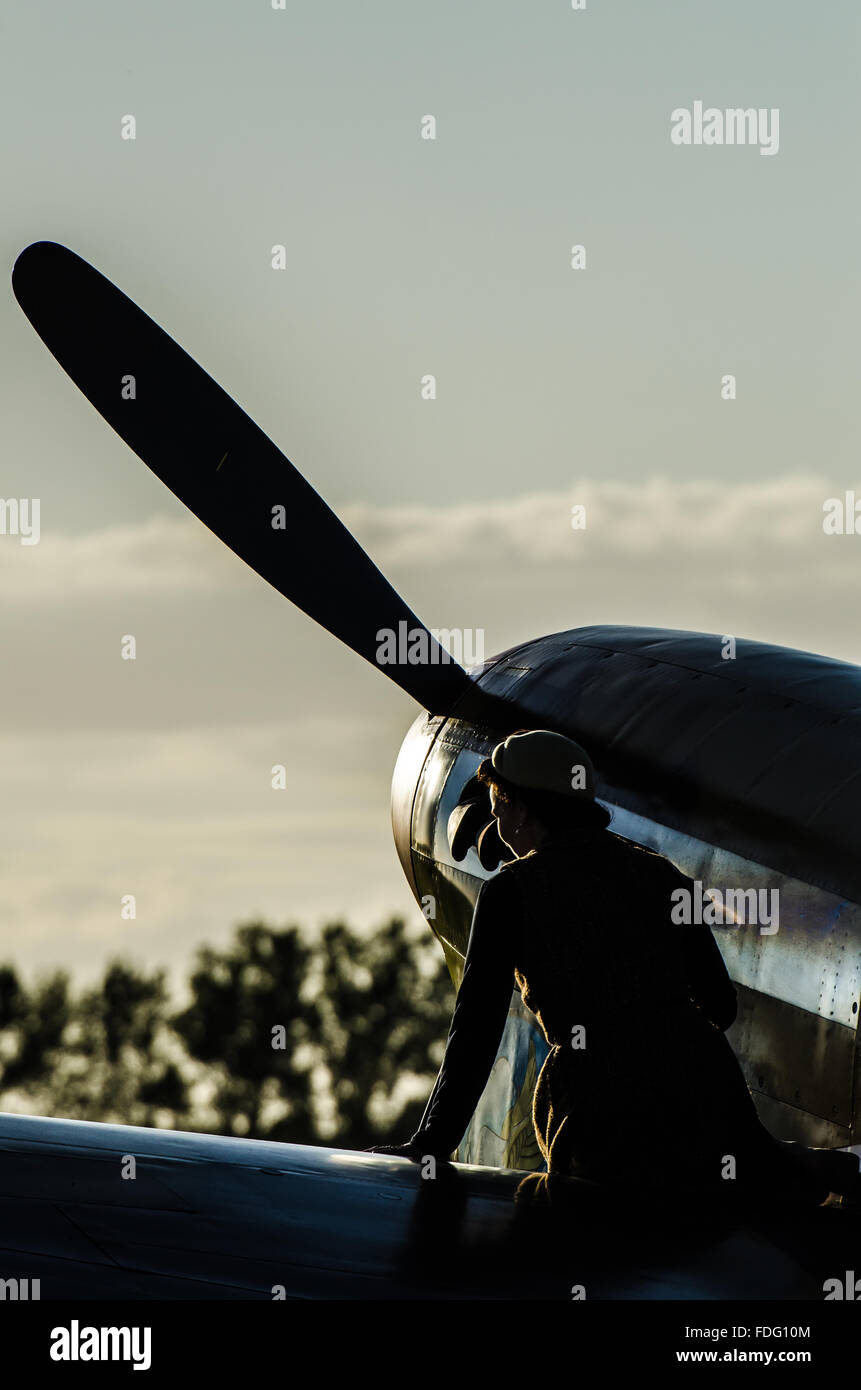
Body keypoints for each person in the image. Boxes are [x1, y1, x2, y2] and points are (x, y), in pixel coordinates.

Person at [368, 729, 859, 1202]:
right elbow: (720, 1005)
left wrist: (430, 1143)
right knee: (756, 1173)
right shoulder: (658, 873)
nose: (496, 828)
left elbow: (475, 1032)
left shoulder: (508, 893)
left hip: (599, 1114)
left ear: (518, 812)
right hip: (708, 1096)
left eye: (499, 811)